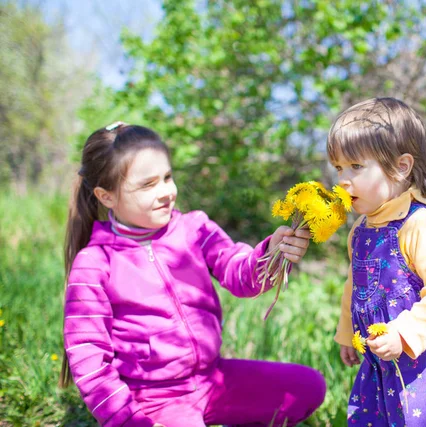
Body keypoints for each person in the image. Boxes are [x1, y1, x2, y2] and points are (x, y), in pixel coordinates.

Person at [59, 122, 326, 427]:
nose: (166, 193)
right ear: (106, 197)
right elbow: (90, 361)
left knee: (307, 387)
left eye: (167, 178)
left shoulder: (193, 228)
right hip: (154, 399)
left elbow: (236, 271)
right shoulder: (95, 262)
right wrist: (131, 421)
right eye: (147, 185)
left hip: (214, 380)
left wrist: (271, 255)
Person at [328, 98, 426, 426]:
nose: (342, 179)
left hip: (425, 360)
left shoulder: (420, 224)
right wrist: (346, 333)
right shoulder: (360, 229)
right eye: (338, 168)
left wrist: (406, 334)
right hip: (380, 357)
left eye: (355, 167)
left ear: (401, 166)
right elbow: (355, 286)